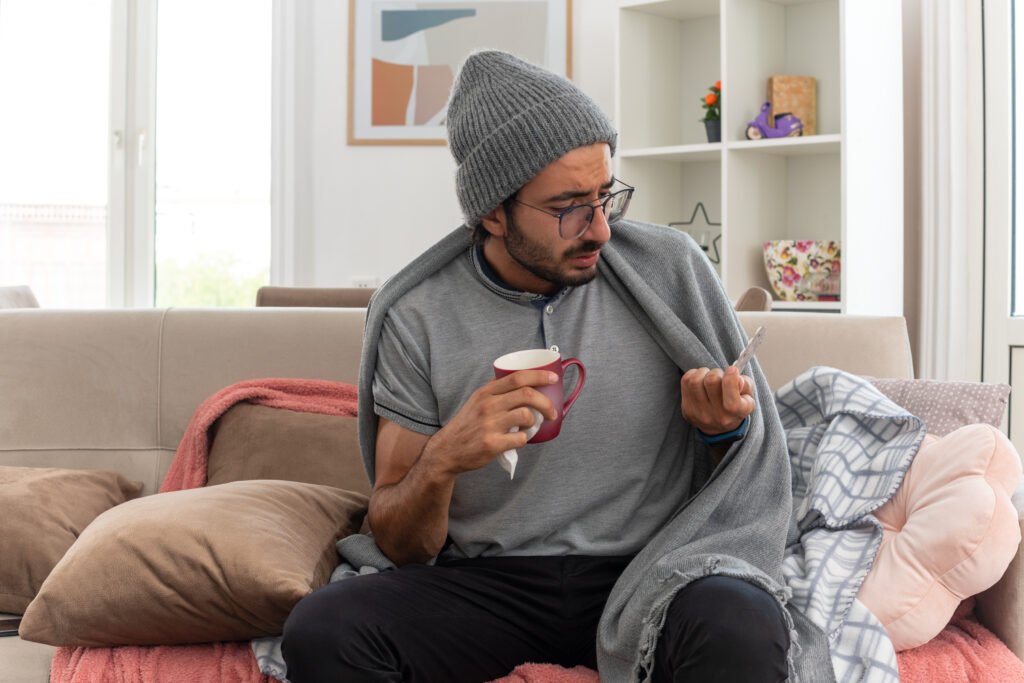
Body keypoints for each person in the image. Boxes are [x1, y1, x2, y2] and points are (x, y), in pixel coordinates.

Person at [282, 50, 800, 683]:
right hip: (489, 587)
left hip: (654, 573)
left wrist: (720, 430)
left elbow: (748, 483)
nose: (602, 230)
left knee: (741, 619)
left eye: (606, 196)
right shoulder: (417, 313)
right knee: (325, 630)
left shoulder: (670, 270)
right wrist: (445, 457)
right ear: (492, 213)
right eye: (569, 208)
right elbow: (398, 543)